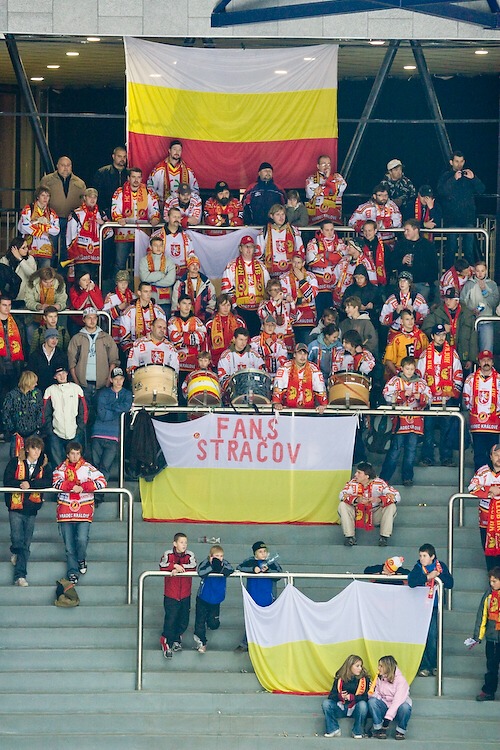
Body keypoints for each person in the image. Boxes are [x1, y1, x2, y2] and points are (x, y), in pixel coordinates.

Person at [53, 440, 107, 583]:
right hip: (65, 511)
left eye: (78, 454)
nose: (75, 457)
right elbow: (56, 482)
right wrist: (72, 486)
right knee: (69, 546)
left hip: (84, 510)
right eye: (72, 454)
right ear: (67, 454)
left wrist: (84, 487)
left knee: (81, 539)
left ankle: (81, 559)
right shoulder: (60, 468)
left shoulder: (88, 468)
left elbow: (102, 481)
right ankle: (72, 572)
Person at [3, 436, 51, 587]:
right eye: (34, 448)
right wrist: (21, 484)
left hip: (31, 508)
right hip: (15, 507)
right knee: (17, 539)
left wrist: (30, 484)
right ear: (28, 449)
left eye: (39, 449)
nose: (37, 452)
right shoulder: (15, 462)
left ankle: (20, 576)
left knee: (26, 544)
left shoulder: (44, 465)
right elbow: (7, 480)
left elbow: (48, 481)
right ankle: (15, 552)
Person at [416, 323, 463, 467]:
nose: (441, 337)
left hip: (446, 399)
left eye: (443, 335)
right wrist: (424, 395)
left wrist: (452, 393)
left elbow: (458, 375)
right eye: (438, 335)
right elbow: (419, 377)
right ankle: (427, 457)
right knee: (428, 431)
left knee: (446, 430)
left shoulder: (453, 354)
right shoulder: (424, 355)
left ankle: (446, 457)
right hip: (430, 400)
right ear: (432, 336)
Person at [380, 357, 432, 486]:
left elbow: (430, 398)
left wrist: (421, 397)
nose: (409, 371)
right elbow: (386, 395)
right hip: (399, 421)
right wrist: (402, 394)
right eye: (407, 369)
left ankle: (407, 477)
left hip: (415, 422)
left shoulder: (421, 382)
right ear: (402, 368)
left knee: (411, 451)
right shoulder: (395, 381)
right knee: (395, 451)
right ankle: (384, 479)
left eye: (412, 369)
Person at [408, 543, 454, 677]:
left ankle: (434, 665)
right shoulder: (418, 567)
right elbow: (412, 582)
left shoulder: (440, 566)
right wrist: (428, 577)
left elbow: (450, 583)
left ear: (432, 557)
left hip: (434, 608)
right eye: (420, 555)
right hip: (420, 608)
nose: (422, 558)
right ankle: (424, 666)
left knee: (433, 637)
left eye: (424, 556)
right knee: (421, 637)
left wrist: (439, 575)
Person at [67, 307, 120, 422]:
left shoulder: (106, 338)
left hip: (102, 385)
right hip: (83, 385)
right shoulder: (77, 338)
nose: (92, 320)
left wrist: (108, 380)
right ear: (84, 320)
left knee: (101, 416)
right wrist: (77, 383)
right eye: (89, 318)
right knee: (82, 416)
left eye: (94, 318)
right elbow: (71, 363)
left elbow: (113, 361)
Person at [437, 149, 485, 267]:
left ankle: (469, 274)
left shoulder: (468, 176)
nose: (459, 164)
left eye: (461, 161)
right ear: (451, 162)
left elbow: (481, 190)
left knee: (469, 251)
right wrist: (453, 179)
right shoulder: (446, 176)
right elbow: (441, 192)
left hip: (468, 219)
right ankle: (449, 274)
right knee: (451, 250)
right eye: (457, 161)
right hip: (452, 219)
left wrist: (474, 178)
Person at [338, 462, 401, 547]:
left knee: (391, 506)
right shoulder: (352, 483)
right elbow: (342, 495)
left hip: (374, 514)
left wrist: (379, 499)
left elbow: (396, 496)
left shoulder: (380, 483)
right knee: (342, 505)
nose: (355, 474)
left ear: (367, 476)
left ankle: (384, 537)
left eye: (359, 473)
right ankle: (349, 537)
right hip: (358, 514)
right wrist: (357, 499)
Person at [111, 167, 161, 272]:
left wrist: (155, 217)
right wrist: (118, 218)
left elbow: (154, 207)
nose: (136, 180)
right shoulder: (120, 191)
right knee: (120, 262)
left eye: (138, 177)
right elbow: (115, 207)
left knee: (144, 262)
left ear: (142, 178)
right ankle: (119, 282)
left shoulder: (148, 191)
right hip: (124, 233)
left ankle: (143, 282)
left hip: (142, 232)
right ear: (128, 178)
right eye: (133, 177)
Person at [236, 540, 282, 651]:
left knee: (268, 621)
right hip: (253, 597)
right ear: (255, 553)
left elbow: (279, 574)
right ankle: (246, 643)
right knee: (251, 621)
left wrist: (268, 571)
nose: (263, 554)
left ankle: (267, 644)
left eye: (265, 551)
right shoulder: (250, 561)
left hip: (268, 598)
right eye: (260, 551)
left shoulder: (271, 563)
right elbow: (239, 568)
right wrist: (253, 569)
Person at [38, 156, 86, 264]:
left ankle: (64, 272)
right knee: (49, 247)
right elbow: (39, 198)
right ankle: (48, 271)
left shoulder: (80, 183)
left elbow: (84, 203)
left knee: (67, 249)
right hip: (51, 220)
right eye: (63, 165)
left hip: (71, 220)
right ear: (57, 166)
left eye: (68, 165)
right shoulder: (47, 180)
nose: (65, 168)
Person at [91, 146, 129, 280]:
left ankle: (119, 282)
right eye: (119, 156)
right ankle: (104, 279)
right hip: (106, 217)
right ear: (113, 156)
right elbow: (95, 195)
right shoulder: (102, 172)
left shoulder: (129, 174)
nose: (122, 159)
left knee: (121, 254)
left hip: (124, 219)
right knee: (106, 250)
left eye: (124, 157)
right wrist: (102, 214)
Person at [221, 235, 270, 337]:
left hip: (258, 310)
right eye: (246, 246)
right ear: (240, 248)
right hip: (240, 310)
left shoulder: (261, 266)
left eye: (251, 246)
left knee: (257, 338)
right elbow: (226, 288)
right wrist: (234, 306)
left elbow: (268, 287)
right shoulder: (232, 266)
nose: (248, 249)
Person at [91, 366, 133, 485]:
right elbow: (102, 413)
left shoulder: (127, 394)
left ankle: (100, 492)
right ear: (111, 380)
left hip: (113, 435)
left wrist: (109, 407)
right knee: (94, 468)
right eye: (116, 379)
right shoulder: (103, 393)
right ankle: (94, 491)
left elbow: (126, 407)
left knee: (105, 467)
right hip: (98, 433)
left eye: (121, 379)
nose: (118, 382)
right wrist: (117, 410)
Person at [159, 532, 197, 658]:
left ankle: (177, 639)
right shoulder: (168, 554)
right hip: (171, 594)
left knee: (184, 620)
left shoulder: (190, 555)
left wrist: (179, 568)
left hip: (185, 594)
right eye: (181, 542)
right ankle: (166, 643)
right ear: (175, 543)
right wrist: (173, 566)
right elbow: (162, 565)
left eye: (185, 542)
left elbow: (193, 566)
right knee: (171, 619)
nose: (184, 545)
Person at [421, 287, 477, 372]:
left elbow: (473, 338)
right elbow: (425, 329)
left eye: (450, 299)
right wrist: (441, 329)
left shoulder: (467, 314)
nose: (447, 301)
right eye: (446, 298)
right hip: (441, 357)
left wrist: (471, 359)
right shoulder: (437, 312)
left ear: (457, 301)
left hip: (463, 357)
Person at [42, 366, 87, 468]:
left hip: (74, 432)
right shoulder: (50, 390)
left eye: (63, 373)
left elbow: (83, 411)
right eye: (58, 374)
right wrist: (50, 430)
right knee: (58, 465)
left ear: (67, 373)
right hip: (56, 433)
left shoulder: (76, 389)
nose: (62, 376)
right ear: (55, 377)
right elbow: (45, 413)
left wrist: (80, 428)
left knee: (76, 463)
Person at [463, 350, 500, 471]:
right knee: (479, 453)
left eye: (488, 360)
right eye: (483, 360)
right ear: (479, 362)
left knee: (493, 453)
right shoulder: (470, 379)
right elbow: (466, 399)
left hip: (494, 423)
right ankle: (479, 480)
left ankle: (493, 479)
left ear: (493, 362)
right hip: (477, 423)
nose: (486, 362)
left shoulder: (499, 379)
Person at [193, 544, 234, 654]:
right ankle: (201, 643)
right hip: (203, 597)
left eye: (221, 556)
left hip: (216, 598)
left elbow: (231, 570)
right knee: (200, 621)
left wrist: (220, 567)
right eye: (216, 556)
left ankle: (210, 622)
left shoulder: (224, 563)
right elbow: (200, 572)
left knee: (214, 623)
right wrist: (212, 566)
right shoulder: (206, 562)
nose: (219, 558)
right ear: (211, 556)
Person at [65, 187, 112, 282]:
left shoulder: (101, 213)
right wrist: (73, 254)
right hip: (80, 254)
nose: (92, 199)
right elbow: (70, 235)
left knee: (92, 281)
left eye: (95, 197)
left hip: (96, 255)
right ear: (85, 198)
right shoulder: (76, 213)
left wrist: (103, 224)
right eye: (90, 197)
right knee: (81, 281)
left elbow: (110, 233)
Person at [468, 443, 500, 572]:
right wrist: (489, 489)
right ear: (490, 456)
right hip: (486, 520)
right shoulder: (483, 471)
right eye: (496, 454)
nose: (499, 458)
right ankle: (492, 581)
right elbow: (471, 488)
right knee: (489, 553)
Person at [321, 654, 370, 739]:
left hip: (356, 709)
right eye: (357, 666)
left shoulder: (365, 679)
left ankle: (357, 731)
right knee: (326, 703)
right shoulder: (339, 679)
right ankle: (333, 729)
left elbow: (366, 697)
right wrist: (340, 696)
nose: (360, 668)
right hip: (341, 707)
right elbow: (331, 696)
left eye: (361, 666)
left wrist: (353, 698)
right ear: (350, 666)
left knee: (363, 705)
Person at [305, 219, 346, 320]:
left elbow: (343, 257)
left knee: (334, 313)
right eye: (327, 230)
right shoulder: (313, 243)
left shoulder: (340, 242)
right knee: (320, 314)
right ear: (321, 230)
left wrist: (324, 255)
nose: (330, 232)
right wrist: (333, 259)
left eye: (332, 229)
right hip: (319, 284)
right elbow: (312, 261)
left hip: (335, 284)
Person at [470, 566, 500, 702]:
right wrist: (478, 636)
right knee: (491, 667)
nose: (491, 584)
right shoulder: (488, 595)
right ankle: (488, 691)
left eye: (495, 581)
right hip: (492, 638)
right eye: (491, 581)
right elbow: (482, 616)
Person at [272, 342, 327, 413]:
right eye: (300, 353)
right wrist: (277, 403)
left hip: (309, 410)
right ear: (294, 355)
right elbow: (278, 387)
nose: (303, 356)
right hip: (288, 410)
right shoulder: (284, 367)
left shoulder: (314, 369)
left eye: (305, 354)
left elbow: (320, 389)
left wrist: (323, 405)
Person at [167, 295, 206, 392]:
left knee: (192, 389)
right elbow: (174, 338)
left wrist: (183, 335)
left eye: (189, 304)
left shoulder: (197, 321)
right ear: (178, 305)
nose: (187, 306)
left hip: (193, 362)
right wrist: (192, 336)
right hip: (177, 362)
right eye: (184, 303)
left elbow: (201, 337)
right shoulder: (172, 321)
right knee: (178, 390)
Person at [147, 139, 199, 212]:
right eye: (174, 149)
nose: (177, 152)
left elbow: (195, 190)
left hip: (182, 209)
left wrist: (188, 203)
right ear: (169, 150)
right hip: (162, 207)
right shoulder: (159, 169)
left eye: (179, 150)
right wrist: (157, 203)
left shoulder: (188, 171)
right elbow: (150, 187)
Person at [368, 655, 412, 740]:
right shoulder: (380, 678)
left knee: (405, 707)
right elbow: (378, 695)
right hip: (385, 705)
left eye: (381, 666)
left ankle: (400, 731)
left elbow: (397, 701)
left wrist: (387, 719)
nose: (378, 668)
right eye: (379, 665)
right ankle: (378, 729)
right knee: (372, 701)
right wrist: (372, 693)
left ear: (388, 667)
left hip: (398, 708)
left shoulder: (401, 680)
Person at [395, 218, 438, 304]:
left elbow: (434, 266)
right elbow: (392, 263)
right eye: (404, 230)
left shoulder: (428, 245)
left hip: (423, 284)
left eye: (408, 230)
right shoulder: (400, 245)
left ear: (416, 230)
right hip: (405, 285)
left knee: (422, 309)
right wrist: (401, 261)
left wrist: (430, 282)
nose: (405, 233)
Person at [255, 203, 304, 278]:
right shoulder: (265, 231)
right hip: (271, 273)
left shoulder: (293, 230)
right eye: (277, 214)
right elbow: (258, 255)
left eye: (283, 214)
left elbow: (300, 252)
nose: (281, 217)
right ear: (271, 216)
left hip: (290, 273)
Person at [0, 295, 26, 436]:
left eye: (9, 305)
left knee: (13, 401)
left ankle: (11, 430)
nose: (7, 308)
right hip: (1, 368)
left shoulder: (17, 323)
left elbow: (24, 344)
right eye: (4, 305)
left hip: (14, 367)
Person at [460, 260, 499, 353]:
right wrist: (471, 311)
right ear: (474, 271)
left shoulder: (492, 284)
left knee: (486, 352)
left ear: (486, 271)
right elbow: (462, 302)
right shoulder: (469, 284)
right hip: (471, 322)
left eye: (482, 271)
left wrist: (484, 291)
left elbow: (495, 303)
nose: (480, 274)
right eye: (478, 271)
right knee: (471, 350)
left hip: (487, 321)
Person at [116, 281, 165, 353]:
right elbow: (124, 338)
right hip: (135, 348)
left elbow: (163, 334)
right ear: (139, 293)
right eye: (145, 291)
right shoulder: (129, 311)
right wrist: (134, 350)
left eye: (150, 291)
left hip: (156, 348)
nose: (148, 294)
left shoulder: (158, 311)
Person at [2, 371, 44, 458]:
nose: (36, 384)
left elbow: (41, 410)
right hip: (17, 434)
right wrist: (12, 429)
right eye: (34, 382)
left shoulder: (37, 393)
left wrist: (38, 426)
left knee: (34, 457)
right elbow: (6, 413)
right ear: (28, 382)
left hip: (33, 432)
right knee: (16, 459)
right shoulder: (12, 395)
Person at [348, 183, 402, 250]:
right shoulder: (364, 207)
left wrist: (382, 224)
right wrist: (369, 225)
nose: (383, 197)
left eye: (386, 195)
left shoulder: (392, 207)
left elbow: (398, 222)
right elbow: (352, 222)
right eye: (380, 195)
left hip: (388, 244)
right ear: (374, 196)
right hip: (367, 243)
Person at [279, 254, 318, 344]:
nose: (296, 265)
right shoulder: (283, 278)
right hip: (291, 317)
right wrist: (301, 300)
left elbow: (311, 296)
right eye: (294, 262)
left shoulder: (311, 276)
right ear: (291, 262)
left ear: (303, 263)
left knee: (306, 346)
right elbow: (283, 297)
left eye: (299, 262)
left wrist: (302, 280)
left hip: (307, 318)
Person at [18, 188, 61, 270]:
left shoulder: (51, 212)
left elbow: (56, 230)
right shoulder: (28, 209)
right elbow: (24, 226)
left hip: (45, 249)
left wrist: (36, 224)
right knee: (29, 272)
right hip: (30, 247)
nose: (45, 198)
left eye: (48, 196)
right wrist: (43, 229)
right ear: (37, 197)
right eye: (43, 195)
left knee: (45, 273)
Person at [380, 271, 428, 340]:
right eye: (400, 280)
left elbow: (426, 318)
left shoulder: (419, 298)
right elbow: (382, 320)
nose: (402, 283)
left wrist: (414, 313)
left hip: (414, 333)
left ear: (410, 283)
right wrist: (395, 313)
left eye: (405, 281)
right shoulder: (392, 299)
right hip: (396, 332)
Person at [382, 309, 429, 379]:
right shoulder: (396, 338)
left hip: (418, 374)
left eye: (412, 319)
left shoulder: (422, 336)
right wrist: (398, 374)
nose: (410, 322)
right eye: (407, 319)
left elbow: (428, 355)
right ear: (401, 321)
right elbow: (388, 360)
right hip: (400, 374)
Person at [217, 327, 265, 393]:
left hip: (251, 391)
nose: (243, 343)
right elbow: (222, 378)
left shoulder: (254, 355)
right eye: (241, 339)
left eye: (245, 340)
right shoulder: (225, 356)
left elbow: (262, 373)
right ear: (234, 339)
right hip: (233, 392)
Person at [138, 234, 176, 316]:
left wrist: (151, 282)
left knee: (164, 322)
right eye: (155, 245)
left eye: (160, 245)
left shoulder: (169, 261)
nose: (158, 248)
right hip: (148, 298)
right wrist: (161, 275)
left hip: (165, 300)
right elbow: (144, 278)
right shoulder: (144, 261)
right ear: (151, 247)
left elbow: (170, 281)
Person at [171, 255, 216, 323]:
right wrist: (176, 315)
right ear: (188, 267)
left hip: (202, 317)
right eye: (192, 265)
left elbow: (212, 298)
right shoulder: (181, 283)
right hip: (184, 317)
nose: (195, 267)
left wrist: (208, 312)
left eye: (197, 265)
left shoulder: (206, 282)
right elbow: (175, 300)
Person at [333, 239, 377, 309]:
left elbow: (372, 285)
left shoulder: (367, 263)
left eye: (350, 246)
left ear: (357, 248)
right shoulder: (344, 259)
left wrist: (365, 303)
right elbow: (335, 277)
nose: (347, 247)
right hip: (340, 300)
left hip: (358, 301)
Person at [258, 278, 298, 354]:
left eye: (278, 289)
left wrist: (292, 303)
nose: (277, 292)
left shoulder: (285, 303)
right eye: (274, 290)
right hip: (270, 339)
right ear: (269, 292)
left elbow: (294, 319)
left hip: (287, 339)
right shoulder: (264, 303)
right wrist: (275, 301)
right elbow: (263, 314)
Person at [305, 155, 346, 225]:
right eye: (324, 164)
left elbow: (341, 189)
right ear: (318, 166)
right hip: (316, 219)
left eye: (329, 164)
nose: (327, 167)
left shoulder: (337, 177)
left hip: (334, 218)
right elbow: (311, 192)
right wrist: (330, 186)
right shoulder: (311, 178)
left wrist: (326, 181)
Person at [205, 293, 245, 367]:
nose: (226, 308)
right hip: (216, 360)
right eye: (223, 305)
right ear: (218, 306)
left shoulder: (239, 321)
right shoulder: (210, 323)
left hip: (236, 360)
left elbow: (246, 340)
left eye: (228, 305)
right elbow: (206, 343)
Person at [242, 162, 286, 226]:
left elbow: (284, 206)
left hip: (274, 226)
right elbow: (244, 206)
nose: (268, 173)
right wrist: (247, 222)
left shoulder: (278, 189)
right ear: (259, 173)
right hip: (254, 226)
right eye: (265, 171)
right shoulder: (251, 188)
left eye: (270, 171)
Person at [28, 327, 69, 394]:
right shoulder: (35, 355)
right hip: (38, 391)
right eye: (52, 338)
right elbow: (30, 374)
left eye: (57, 338)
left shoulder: (62, 355)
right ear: (46, 339)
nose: (54, 341)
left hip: (56, 392)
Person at [162, 207, 196, 281]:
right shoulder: (158, 236)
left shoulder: (186, 237)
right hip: (164, 275)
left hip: (182, 276)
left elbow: (191, 254)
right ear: (168, 217)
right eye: (174, 217)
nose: (176, 219)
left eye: (178, 217)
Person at [103, 270, 136, 345]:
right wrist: (118, 308)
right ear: (116, 283)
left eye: (125, 282)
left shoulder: (133, 297)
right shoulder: (111, 297)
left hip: (130, 328)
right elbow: (104, 316)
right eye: (121, 282)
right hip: (115, 328)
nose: (123, 285)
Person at [0, 237, 36, 304]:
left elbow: (32, 275)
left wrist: (20, 259)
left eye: (27, 247)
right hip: (7, 297)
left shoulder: (30, 259)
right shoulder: (5, 259)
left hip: (23, 297)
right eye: (23, 248)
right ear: (15, 249)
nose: (27, 250)